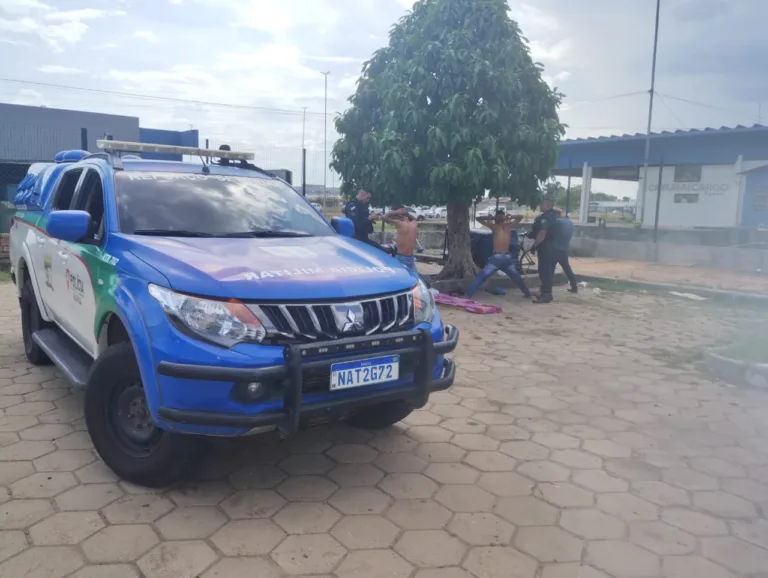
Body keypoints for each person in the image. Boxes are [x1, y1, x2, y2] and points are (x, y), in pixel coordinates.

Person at [466, 209, 533, 299]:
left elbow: (520, 217)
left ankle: (467, 296)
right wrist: (494, 217)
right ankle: (527, 293)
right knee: (517, 278)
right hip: (504, 258)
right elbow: (478, 218)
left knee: (481, 277)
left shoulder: (502, 226)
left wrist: (505, 217)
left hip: (499, 258)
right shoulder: (500, 226)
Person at [530, 197, 559, 303]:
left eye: (541, 204)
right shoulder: (551, 216)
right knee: (546, 271)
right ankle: (545, 293)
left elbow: (542, 233)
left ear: (548, 205)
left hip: (546, 247)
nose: (540, 206)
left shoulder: (546, 218)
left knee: (545, 271)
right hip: (550, 247)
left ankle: (546, 295)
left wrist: (535, 245)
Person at [380, 205, 419, 270]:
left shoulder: (399, 223)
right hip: (410, 258)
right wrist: (405, 213)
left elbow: (383, 217)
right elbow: (413, 218)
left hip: (401, 257)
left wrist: (395, 212)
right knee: (413, 278)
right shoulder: (415, 223)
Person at [553, 207, 578, 293]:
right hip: (564, 248)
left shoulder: (557, 222)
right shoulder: (569, 222)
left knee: (549, 270)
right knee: (567, 268)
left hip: (554, 249)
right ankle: (574, 286)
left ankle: (545, 290)